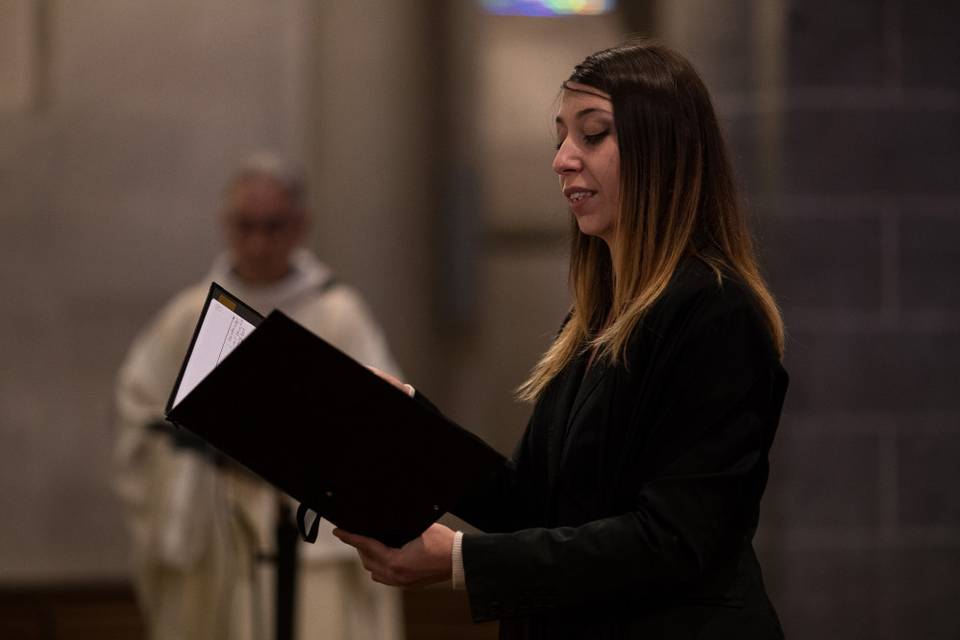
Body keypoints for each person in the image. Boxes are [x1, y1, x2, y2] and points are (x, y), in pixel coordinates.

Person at [333, 42, 789, 639]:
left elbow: (675, 539)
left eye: (593, 134)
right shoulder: (599, 318)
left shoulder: (718, 312)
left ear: (664, 152)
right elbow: (533, 504)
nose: (563, 159)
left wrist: (459, 562)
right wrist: (410, 427)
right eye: (561, 137)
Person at [113, 152, 405, 640]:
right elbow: (138, 410)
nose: (258, 242)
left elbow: (384, 418)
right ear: (225, 224)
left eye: (273, 226)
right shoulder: (191, 314)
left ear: (300, 226)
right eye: (245, 226)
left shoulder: (338, 314)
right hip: (215, 533)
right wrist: (192, 444)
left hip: (314, 539)